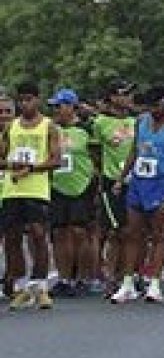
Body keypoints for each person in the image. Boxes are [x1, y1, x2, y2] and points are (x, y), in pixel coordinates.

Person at [111, 85, 164, 304]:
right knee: (132, 232)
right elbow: (134, 151)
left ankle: (155, 283)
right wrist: (122, 179)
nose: (153, 110)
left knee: (159, 234)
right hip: (139, 181)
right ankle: (128, 282)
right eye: (149, 106)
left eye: (156, 105)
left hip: (160, 181)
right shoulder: (141, 121)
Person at [2, 82, 61, 310]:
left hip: (36, 188)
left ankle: (40, 285)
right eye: (21, 100)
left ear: (38, 100)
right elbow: (1, 157)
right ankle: (20, 285)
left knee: (38, 235)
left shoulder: (49, 126)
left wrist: (32, 168)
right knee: (13, 238)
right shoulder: (11, 127)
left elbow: (56, 159)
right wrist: (11, 164)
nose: (25, 104)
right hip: (12, 188)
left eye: (29, 99)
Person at [49, 89, 99, 298]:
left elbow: (98, 156)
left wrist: (97, 182)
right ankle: (64, 278)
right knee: (60, 232)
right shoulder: (50, 129)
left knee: (80, 232)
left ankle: (84, 278)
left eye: (59, 106)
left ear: (71, 107)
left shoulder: (87, 128)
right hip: (57, 185)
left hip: (82, 185)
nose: (55, 110)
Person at [92, 79, 136, 297]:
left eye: (129, 93)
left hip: (137, 179)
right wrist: (102, 179)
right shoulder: (100, 122)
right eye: (123, 93)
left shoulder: (137, 120)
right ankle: (111, 277)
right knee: (117, 231)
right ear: (112, 97)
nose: (128, 97)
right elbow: (95, 153)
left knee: (135, 231)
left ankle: (130, 275)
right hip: (113, 181)